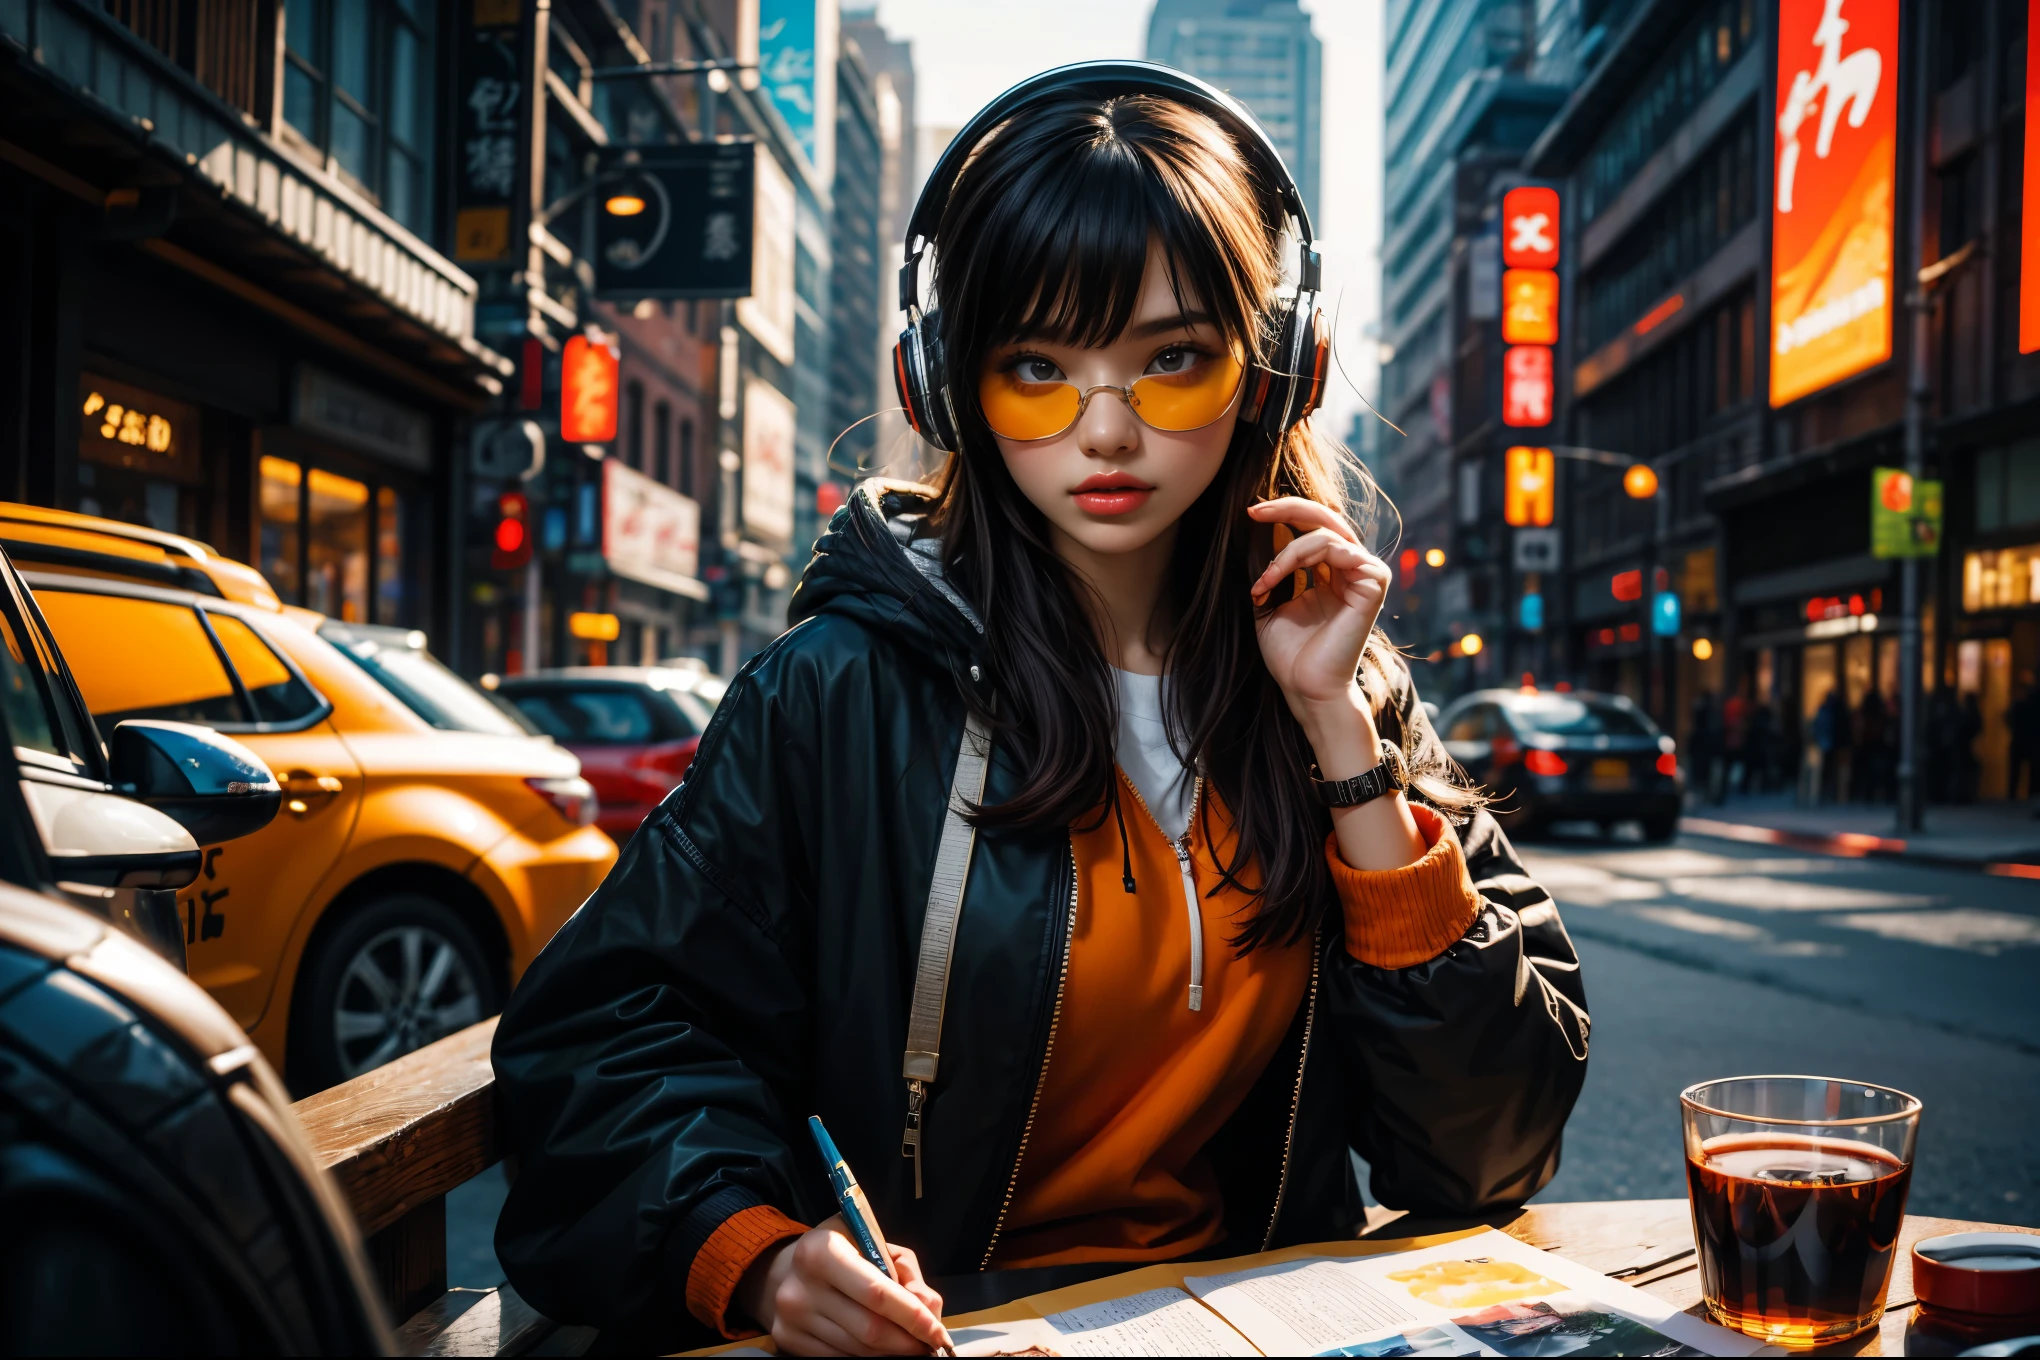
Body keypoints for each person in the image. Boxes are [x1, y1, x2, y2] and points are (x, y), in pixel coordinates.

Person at [487, 66, 1588, 1356]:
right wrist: (759, 1256)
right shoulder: (841, 689)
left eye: (1171, 358)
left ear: (1276, 367)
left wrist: (1344, 744)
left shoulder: (1344, 685)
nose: (1106, 429)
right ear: (948, 385)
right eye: (1038, 365)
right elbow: (598, 1046)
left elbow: (1488, 1150)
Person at [2008, 674, 2040, 804]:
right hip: (2027, 740)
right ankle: (2027, 794)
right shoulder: (2026, 704)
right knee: (2029, 770)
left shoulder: (2022, 704)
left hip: (2025, 739)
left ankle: (2014, 794)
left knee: (2020, 770)